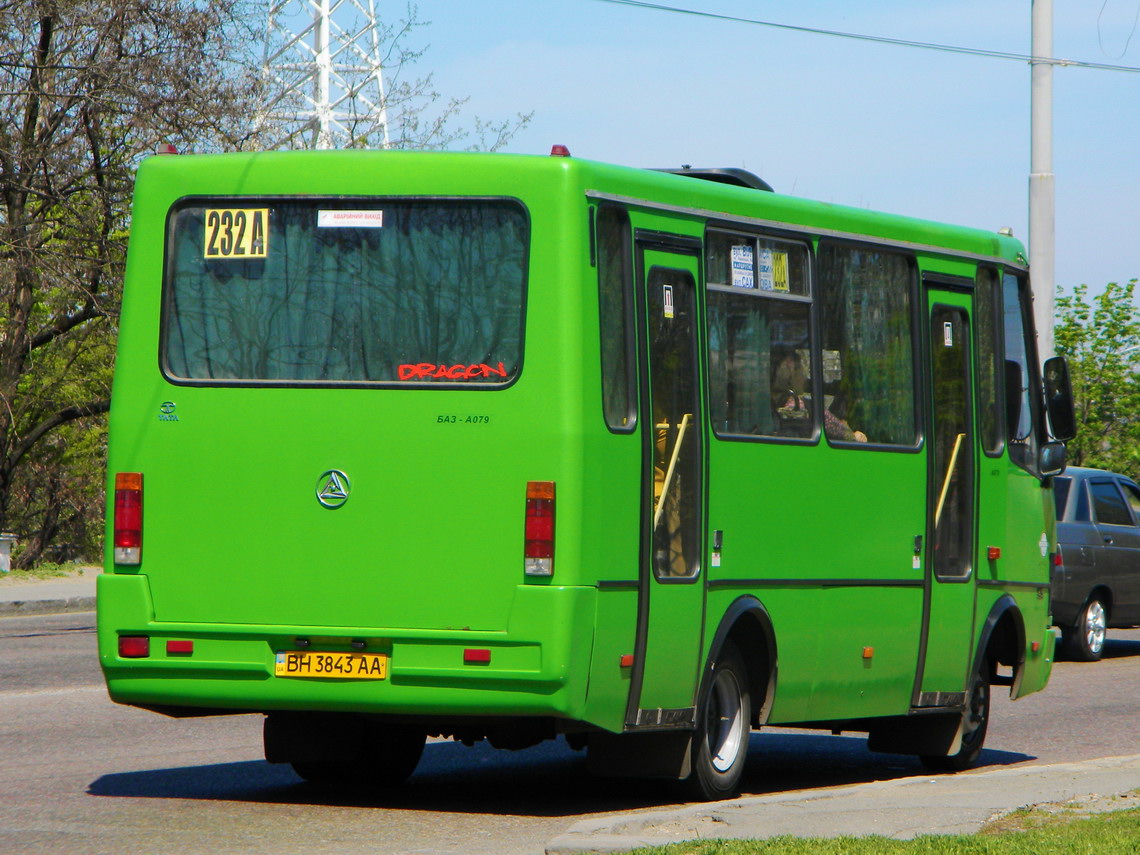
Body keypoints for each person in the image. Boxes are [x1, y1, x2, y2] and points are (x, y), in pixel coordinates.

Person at [770, 346, 867, 442]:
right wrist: (854, 436)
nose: (804, 377)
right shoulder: (799, 406)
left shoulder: (771, 402)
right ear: (791, 375)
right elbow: (836, 428)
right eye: (801, 371)